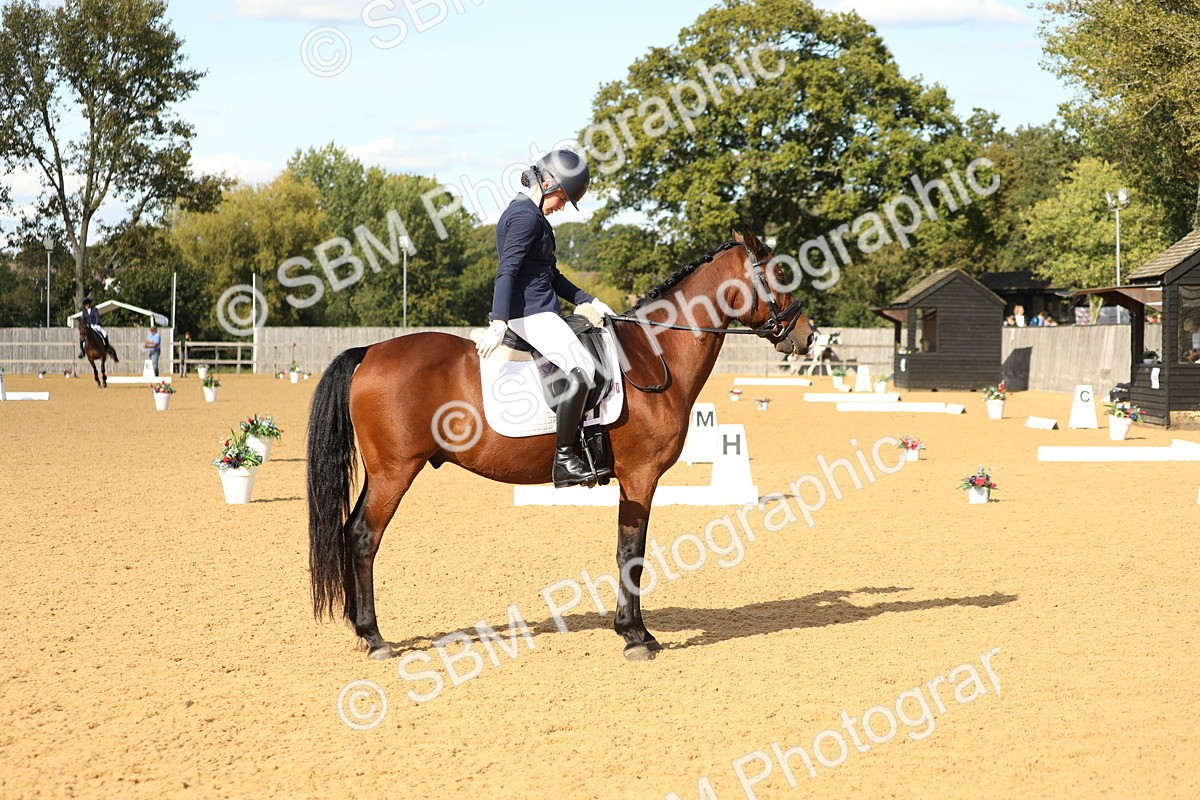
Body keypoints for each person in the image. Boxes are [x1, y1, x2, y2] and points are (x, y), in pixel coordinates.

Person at [476, 149, 615, 488]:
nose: (563, 206)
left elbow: (550, 275)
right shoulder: (524, 216)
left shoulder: (534, 217)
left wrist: (589, 299)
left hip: (542, 308)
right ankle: (565, 459)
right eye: (563, 199)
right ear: (548, 183)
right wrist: (499, 321)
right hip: (531, 314)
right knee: (582, 373)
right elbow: (507, 270)